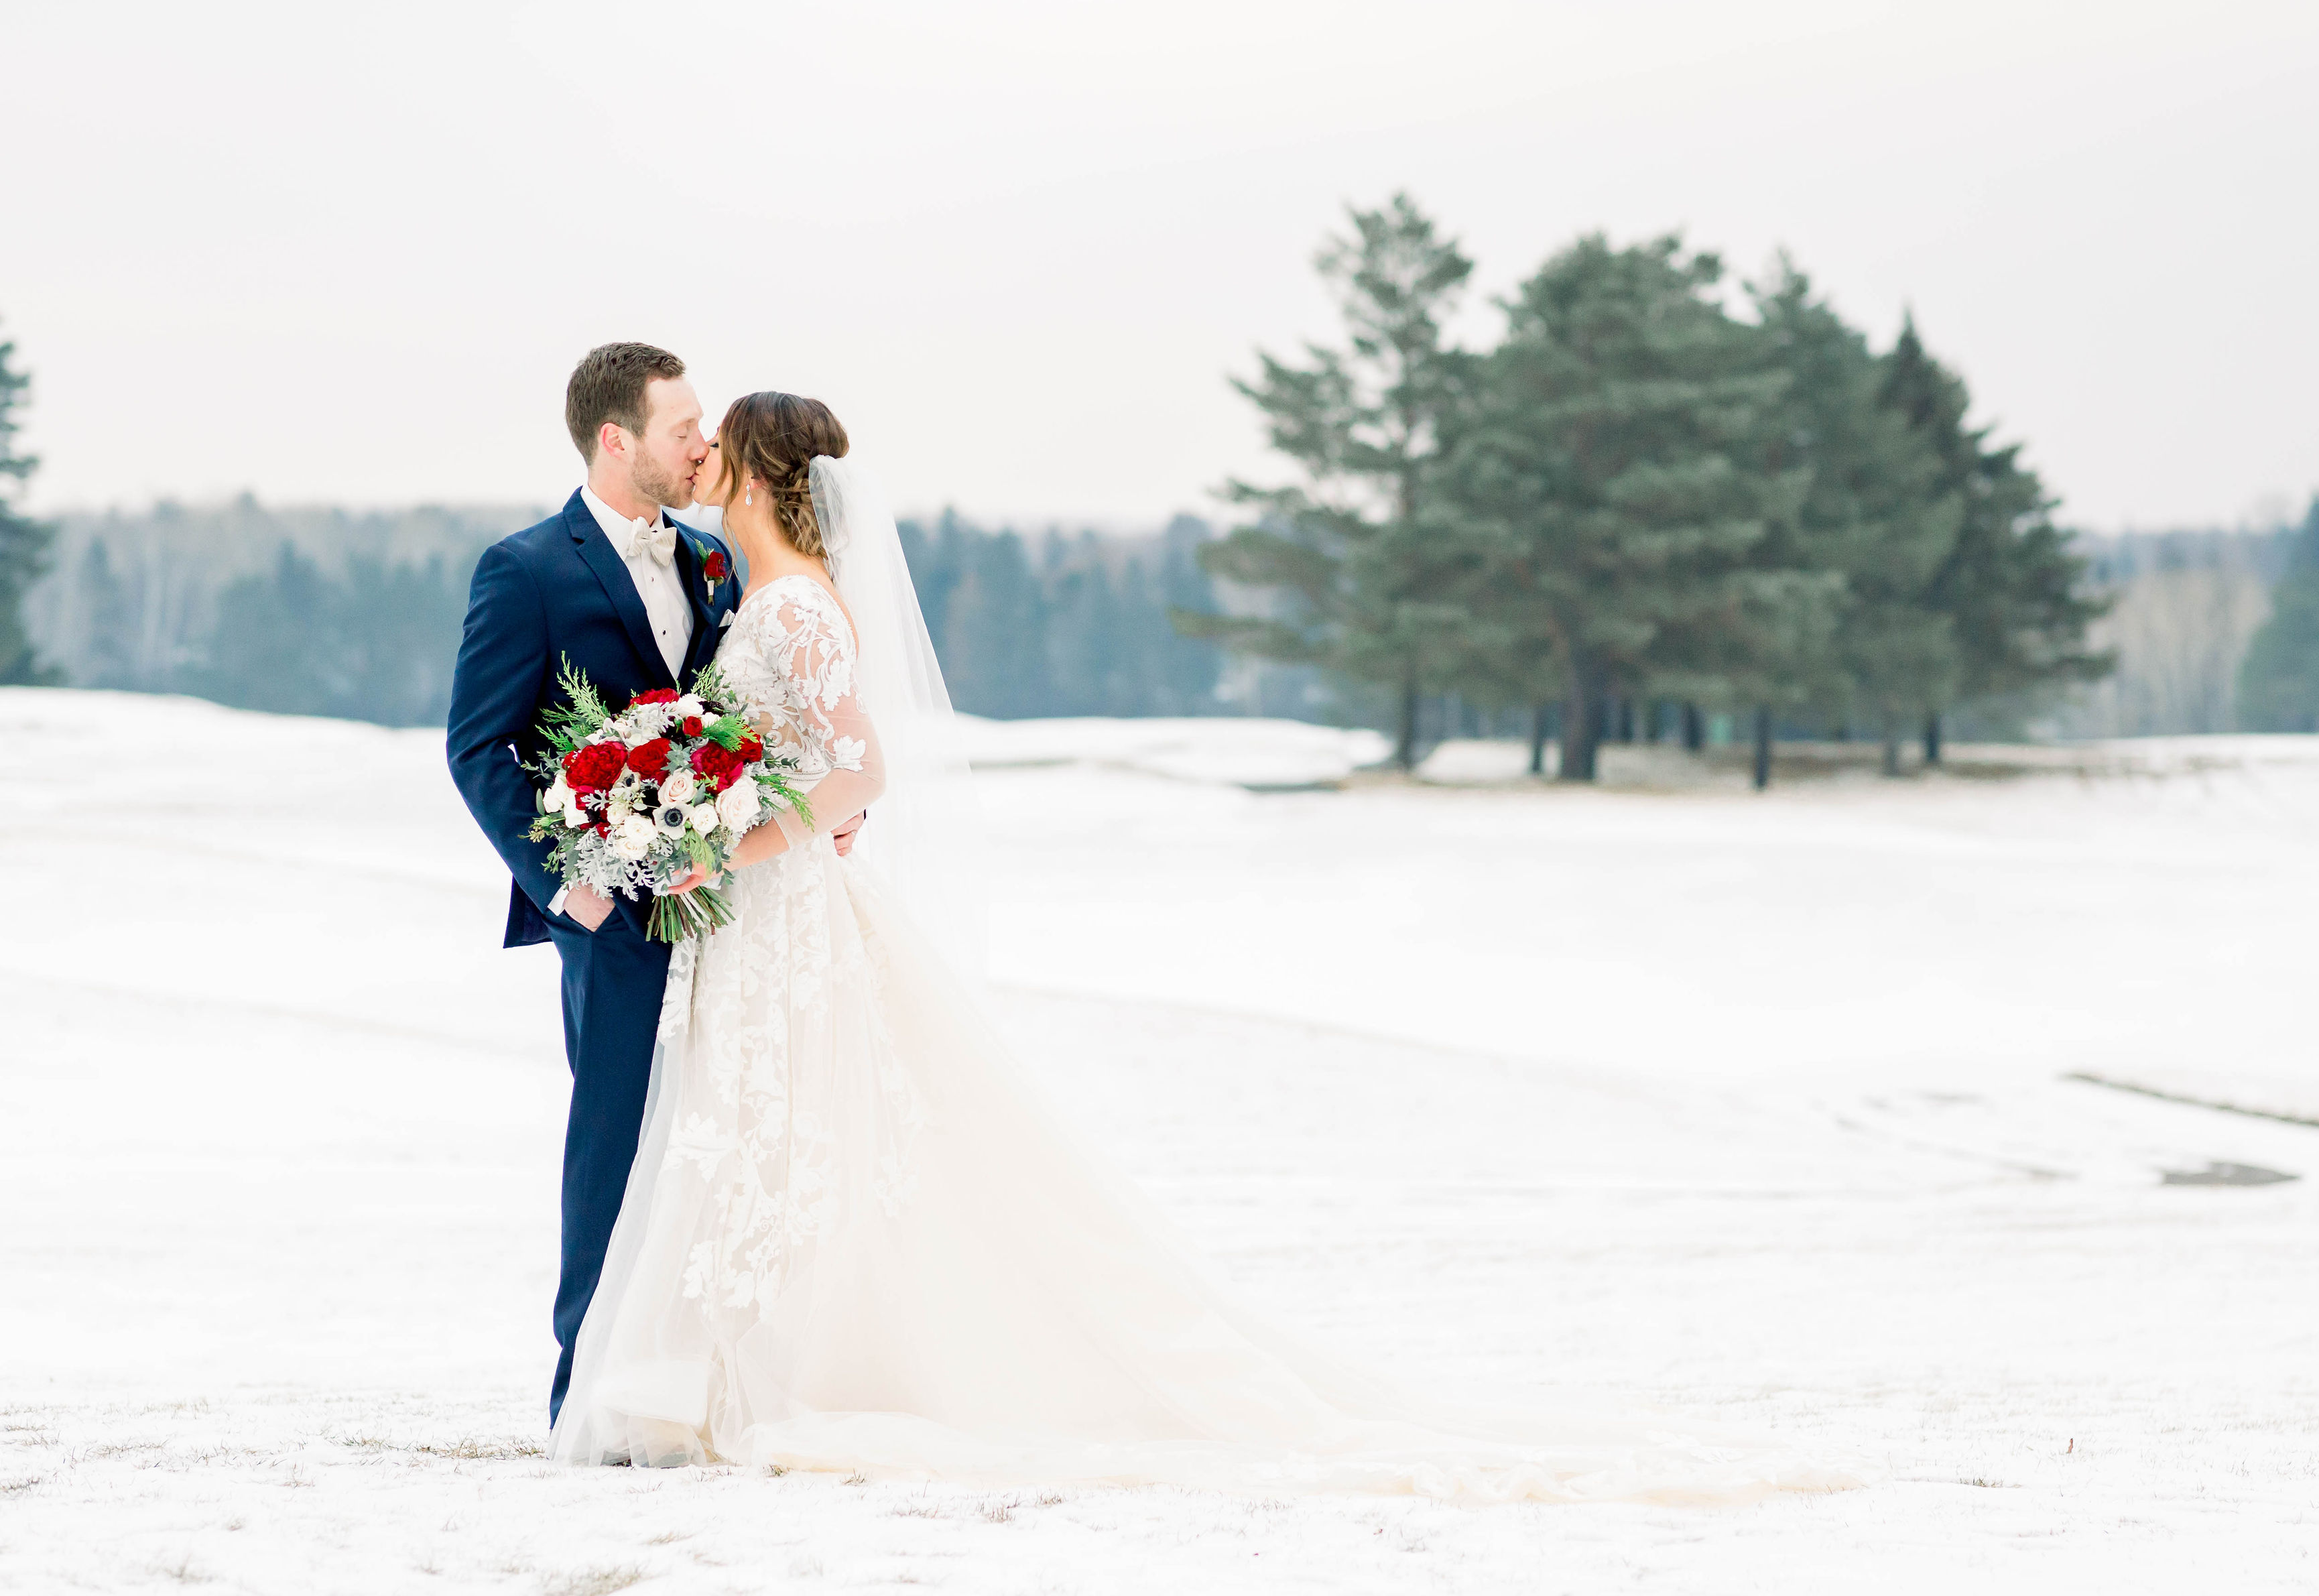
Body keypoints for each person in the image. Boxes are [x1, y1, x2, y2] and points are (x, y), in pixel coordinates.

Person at [548, 390, 1847, 1503]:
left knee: (800, 1135)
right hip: (764, 923)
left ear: (772, 474)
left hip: (783, 917)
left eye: (721, 450)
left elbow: (854, 771)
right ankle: (720, 1367)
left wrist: (720, 846)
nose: (701, 462)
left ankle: (770, 1376)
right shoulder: (764, 596)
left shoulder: (795, 611)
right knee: (769, 1136)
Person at [445, 345, 862, 1426]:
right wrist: (561, 886)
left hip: (734, 912)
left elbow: (766, 728)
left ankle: (705, 1388)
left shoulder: (719, 563)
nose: (700, 443)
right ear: (615, 439)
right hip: (615, 912)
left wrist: (810, 816)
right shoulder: (527, 568)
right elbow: (479, 746)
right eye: (681, 425)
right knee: (617, 1144)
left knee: (716, 1145)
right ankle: (586, 1399)